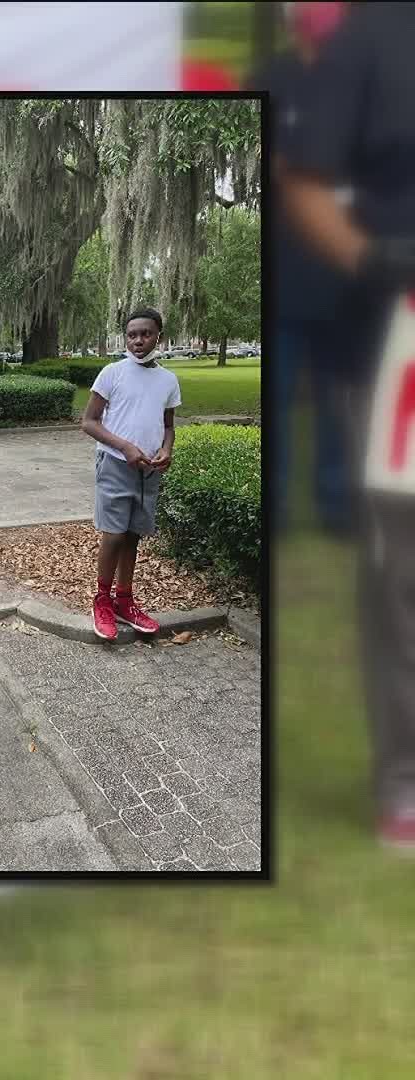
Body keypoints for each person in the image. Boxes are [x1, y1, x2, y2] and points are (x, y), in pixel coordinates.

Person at [282, 1, 415, 852]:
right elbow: (301, 176)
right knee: (403, 562)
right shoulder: (376, 35)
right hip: (402, 335)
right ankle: (406, 777)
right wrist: (375, 258)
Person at [252, 1, 357, 536]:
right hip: (289, 283)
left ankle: (337, 503)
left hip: (346, 285)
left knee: (338, 400)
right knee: (284, 398)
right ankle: (281, 508)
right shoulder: (275, 78)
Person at [80, 308, 179, 643]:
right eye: (132, 334)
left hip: (148, 470)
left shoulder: (168, 380)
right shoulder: (112, 373)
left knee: (133, 534)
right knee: (114, 534)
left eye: (146, 334)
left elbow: (168, 426)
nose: (139, 341)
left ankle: (124, 600)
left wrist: (167, 449)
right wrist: (124, 447)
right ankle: (102, 600)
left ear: (158, 336)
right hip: (115, 465)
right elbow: (89, 422)